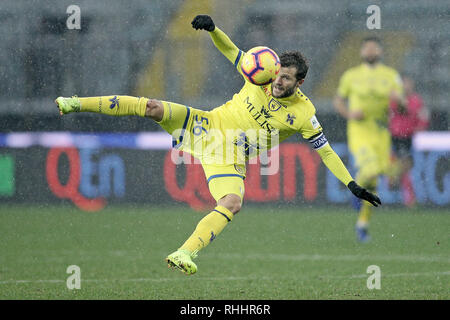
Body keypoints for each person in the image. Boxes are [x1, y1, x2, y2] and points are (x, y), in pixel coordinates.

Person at [55, 15, 381, 274]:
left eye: (285, 79)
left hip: (229, 157)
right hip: (205, 126)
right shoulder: (259, 76)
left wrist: (351, 183)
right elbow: (232, 51)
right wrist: (213, 29)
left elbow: (324, 151)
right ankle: (75, 102)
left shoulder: (304, 115)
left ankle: (185, 252)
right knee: (152, 106)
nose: (277, 82)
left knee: (232, 202)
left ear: (300, 82)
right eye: (277, 75)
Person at [334, 36, 403, 243]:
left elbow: (402, 107)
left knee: (374, 179)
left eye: (374, 48)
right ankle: (353, 192)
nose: (371, 51)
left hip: (381, 132)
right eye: (367, 48)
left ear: (380, 52)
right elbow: (338, 100)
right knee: (371, 170)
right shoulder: (351, 76)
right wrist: (348, 114)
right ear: (362, 52)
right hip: (360, 131)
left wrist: (399, 101)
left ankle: (362, 224)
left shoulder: (391, 76)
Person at [389, 75, 429, 207]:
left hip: (409, 137)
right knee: (406, 164)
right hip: (397, 136)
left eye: (408, 83)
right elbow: (391, 112)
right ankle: (407, 196)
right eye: (404, 83)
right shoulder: (395, 99)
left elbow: (423, 117)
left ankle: (395, 180)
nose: (406, 86)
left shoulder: (416, 100)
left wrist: (420, 128)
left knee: (406, 167)